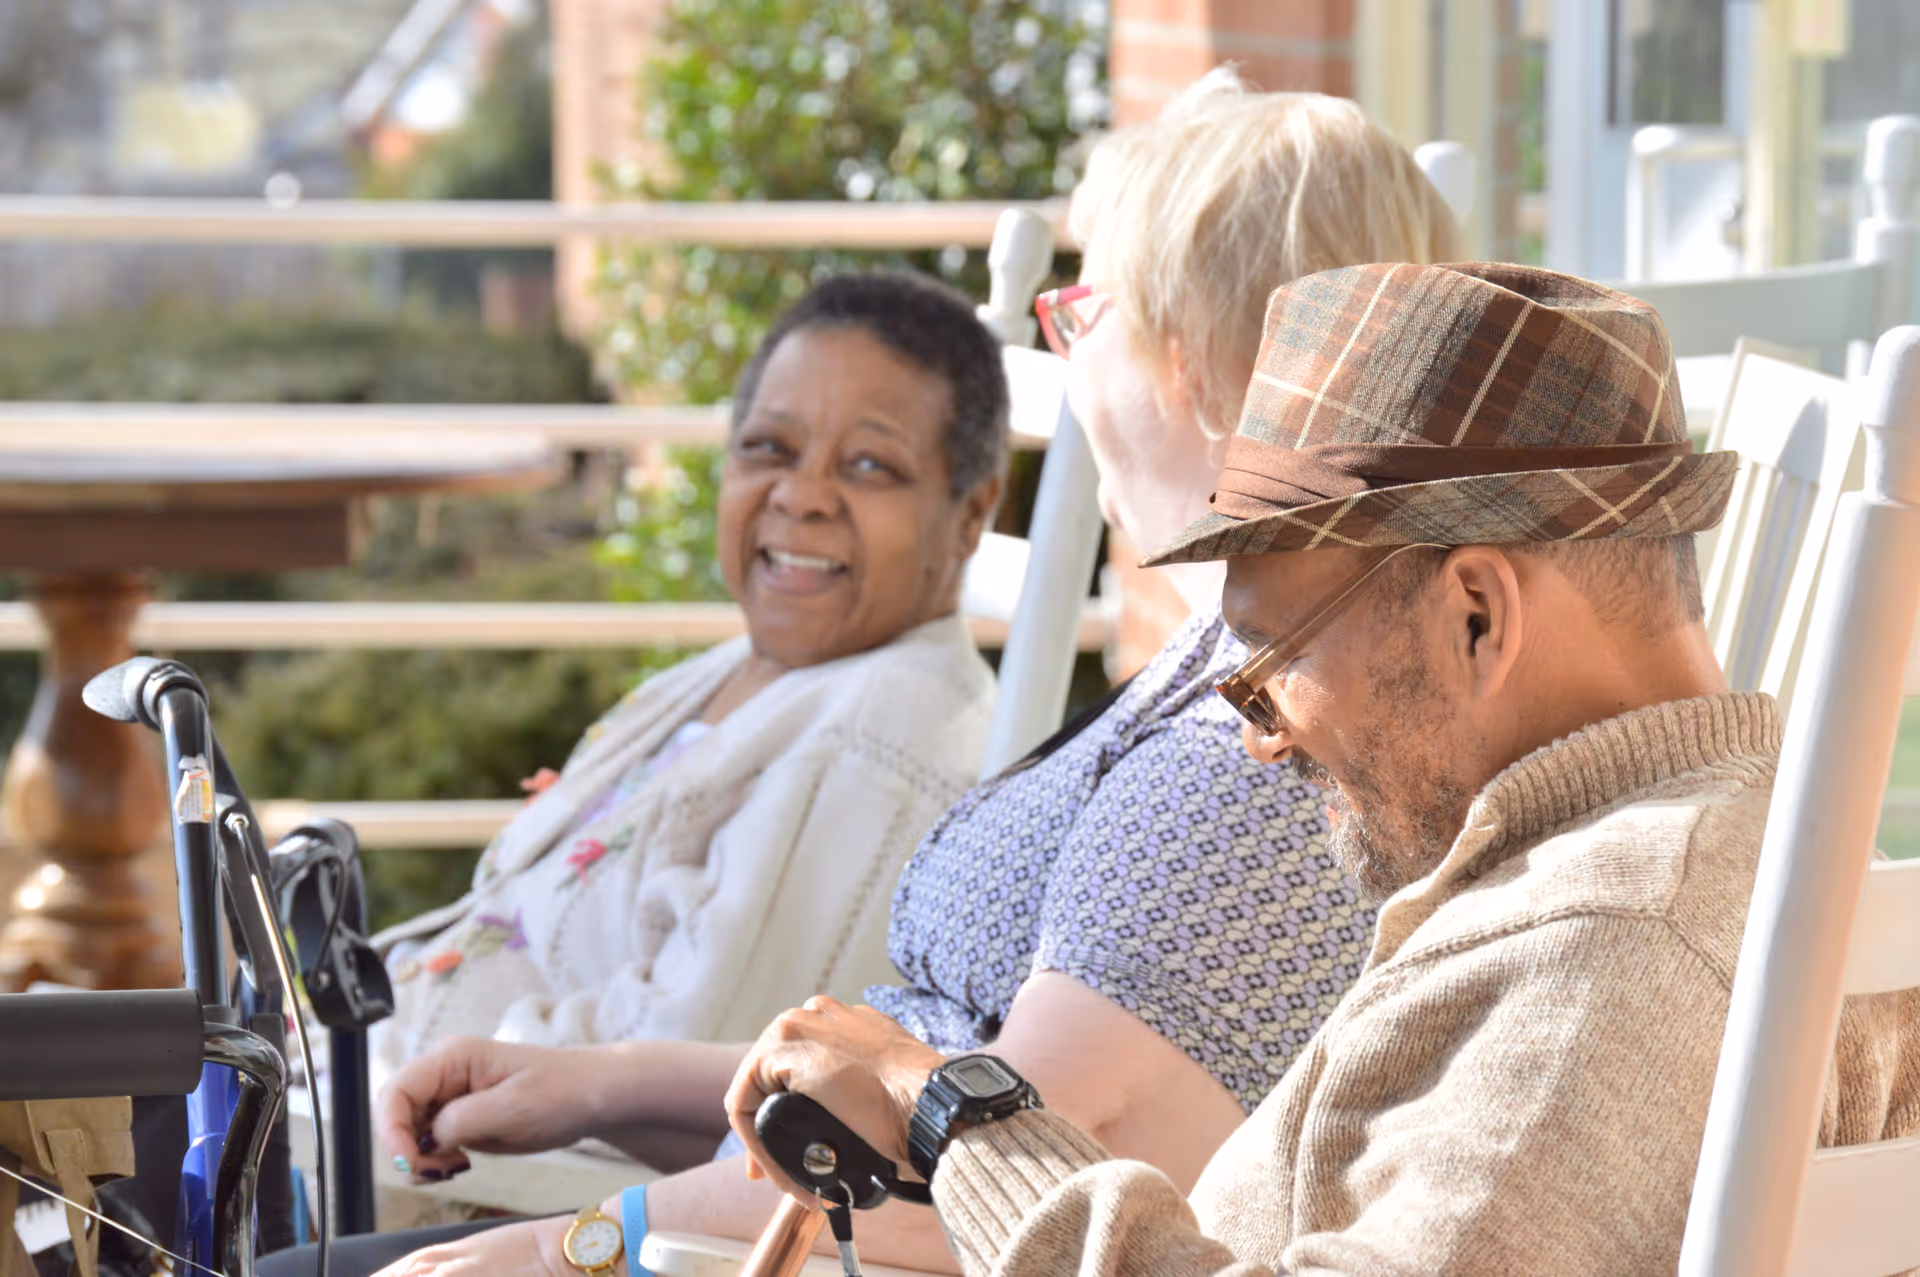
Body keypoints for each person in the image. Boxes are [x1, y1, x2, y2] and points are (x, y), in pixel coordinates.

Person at [257, 75, 1461, 1277]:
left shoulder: (1263, 749)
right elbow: (916, 1101)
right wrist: (603, 1083)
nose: (1073, 357)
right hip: (750, 1200)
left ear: (1185, 356)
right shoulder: (1226, 664)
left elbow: (997, 1177)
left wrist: (576, 1241)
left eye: (1085, 311)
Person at [726, 261, 1920, 1276]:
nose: (1261, 733)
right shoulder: (1723, 859)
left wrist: (956, 1111)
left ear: (1475, 615)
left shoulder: (1617, 943)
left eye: (1269, 664)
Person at [371, 270, 1008, 1067]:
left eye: (870, 466)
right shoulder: (736, 673)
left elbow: (692, 1054)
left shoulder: (883, 733)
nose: (801, 496)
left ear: (971, 513)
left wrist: (396, 1082)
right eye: (769, 448)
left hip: (456, 1158)